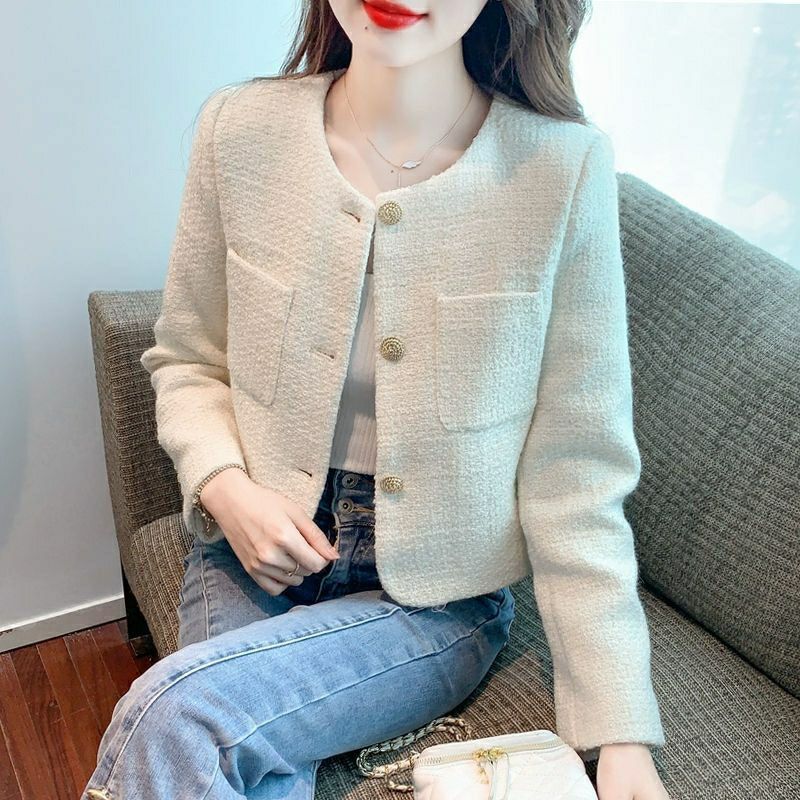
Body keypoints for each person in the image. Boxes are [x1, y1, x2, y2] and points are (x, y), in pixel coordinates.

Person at [83, 1, 671, 798]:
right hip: (251, 557)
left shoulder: (559, 171)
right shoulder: (240, 130)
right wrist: (226, 489)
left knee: (179, 713)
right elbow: (189, 360)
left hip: (433, 606)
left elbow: (576, 474)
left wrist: (619, 730)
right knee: (239, 761)